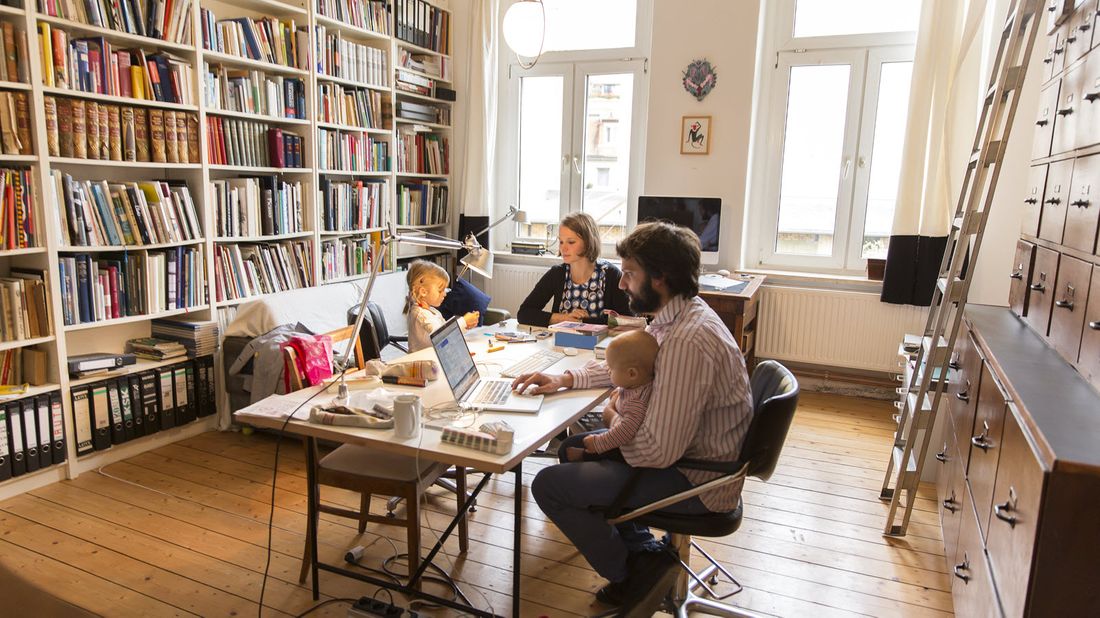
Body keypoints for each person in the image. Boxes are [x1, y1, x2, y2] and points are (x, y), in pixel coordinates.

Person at [513, 221, 753, 614]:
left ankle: (636, 574)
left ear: (659, 278)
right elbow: (632, 368)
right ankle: (642, 551)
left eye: (629, 274)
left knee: (552, 485)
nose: (621, 284)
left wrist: (609, 420)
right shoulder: (678, 317)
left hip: (697, 482)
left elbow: (657, 451)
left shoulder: (687, 341)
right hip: (694, 460)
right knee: (575, 448)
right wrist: (563, 378)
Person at [517, 212, 633, 327]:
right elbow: (524, 313)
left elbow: (627, 320)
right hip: (559, 343)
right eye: (561, 241)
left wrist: (585, 321)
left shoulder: (611, 274)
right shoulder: (557, 273)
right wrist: (563, 318)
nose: (563, 248)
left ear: (588, 242)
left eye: (571, 242)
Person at [564, 329, 658, 463]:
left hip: (627, 450)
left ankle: (586, 456)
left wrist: (598, 443)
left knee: (612, 449)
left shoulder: (636, 403)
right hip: (617, 426)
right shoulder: (636, 385)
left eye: (612, 368)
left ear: (631, 374)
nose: (608, 370)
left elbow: (624, 432)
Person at [404, 260, 478, 352]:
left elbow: (447, 334)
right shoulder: (420, 315)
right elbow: (441, 335)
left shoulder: (433, 311)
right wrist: (464, 321)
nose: (444, 294)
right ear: (423, 292)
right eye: (440, 290)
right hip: (424, 363)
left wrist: (465, 326)